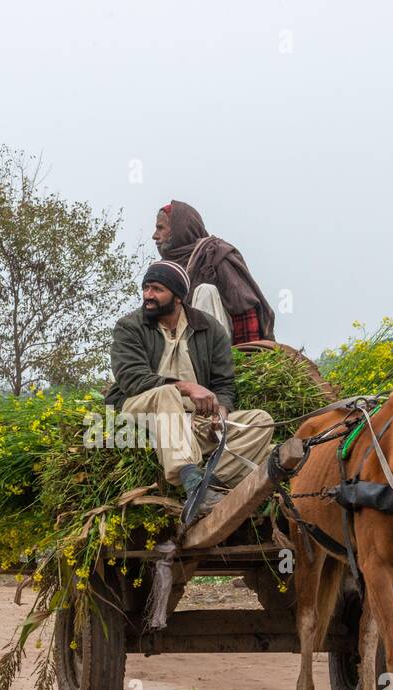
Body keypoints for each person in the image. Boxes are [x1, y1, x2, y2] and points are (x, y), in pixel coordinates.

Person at [104, 261, 275, 521]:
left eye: (157, 289)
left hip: (193, 421)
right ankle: (189, 477)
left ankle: (206, 487)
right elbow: (132, 379)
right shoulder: (129, 327)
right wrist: (186, 388)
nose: (148, 295)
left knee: (262, 421)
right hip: (142, 410)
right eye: (146, 288)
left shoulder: (210, 328)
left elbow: (223, 384)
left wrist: (222, 412)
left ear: (178, 296)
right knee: (167, 394)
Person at [152, 200, 276, 344]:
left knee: (205, 291)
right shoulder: (165, 270)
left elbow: (244, 307)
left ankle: (204, 354)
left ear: (179, 229)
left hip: (220, 345)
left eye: (160, 228)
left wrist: (247, 357)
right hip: (178, 344)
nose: (155, 235)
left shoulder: (214, 255)